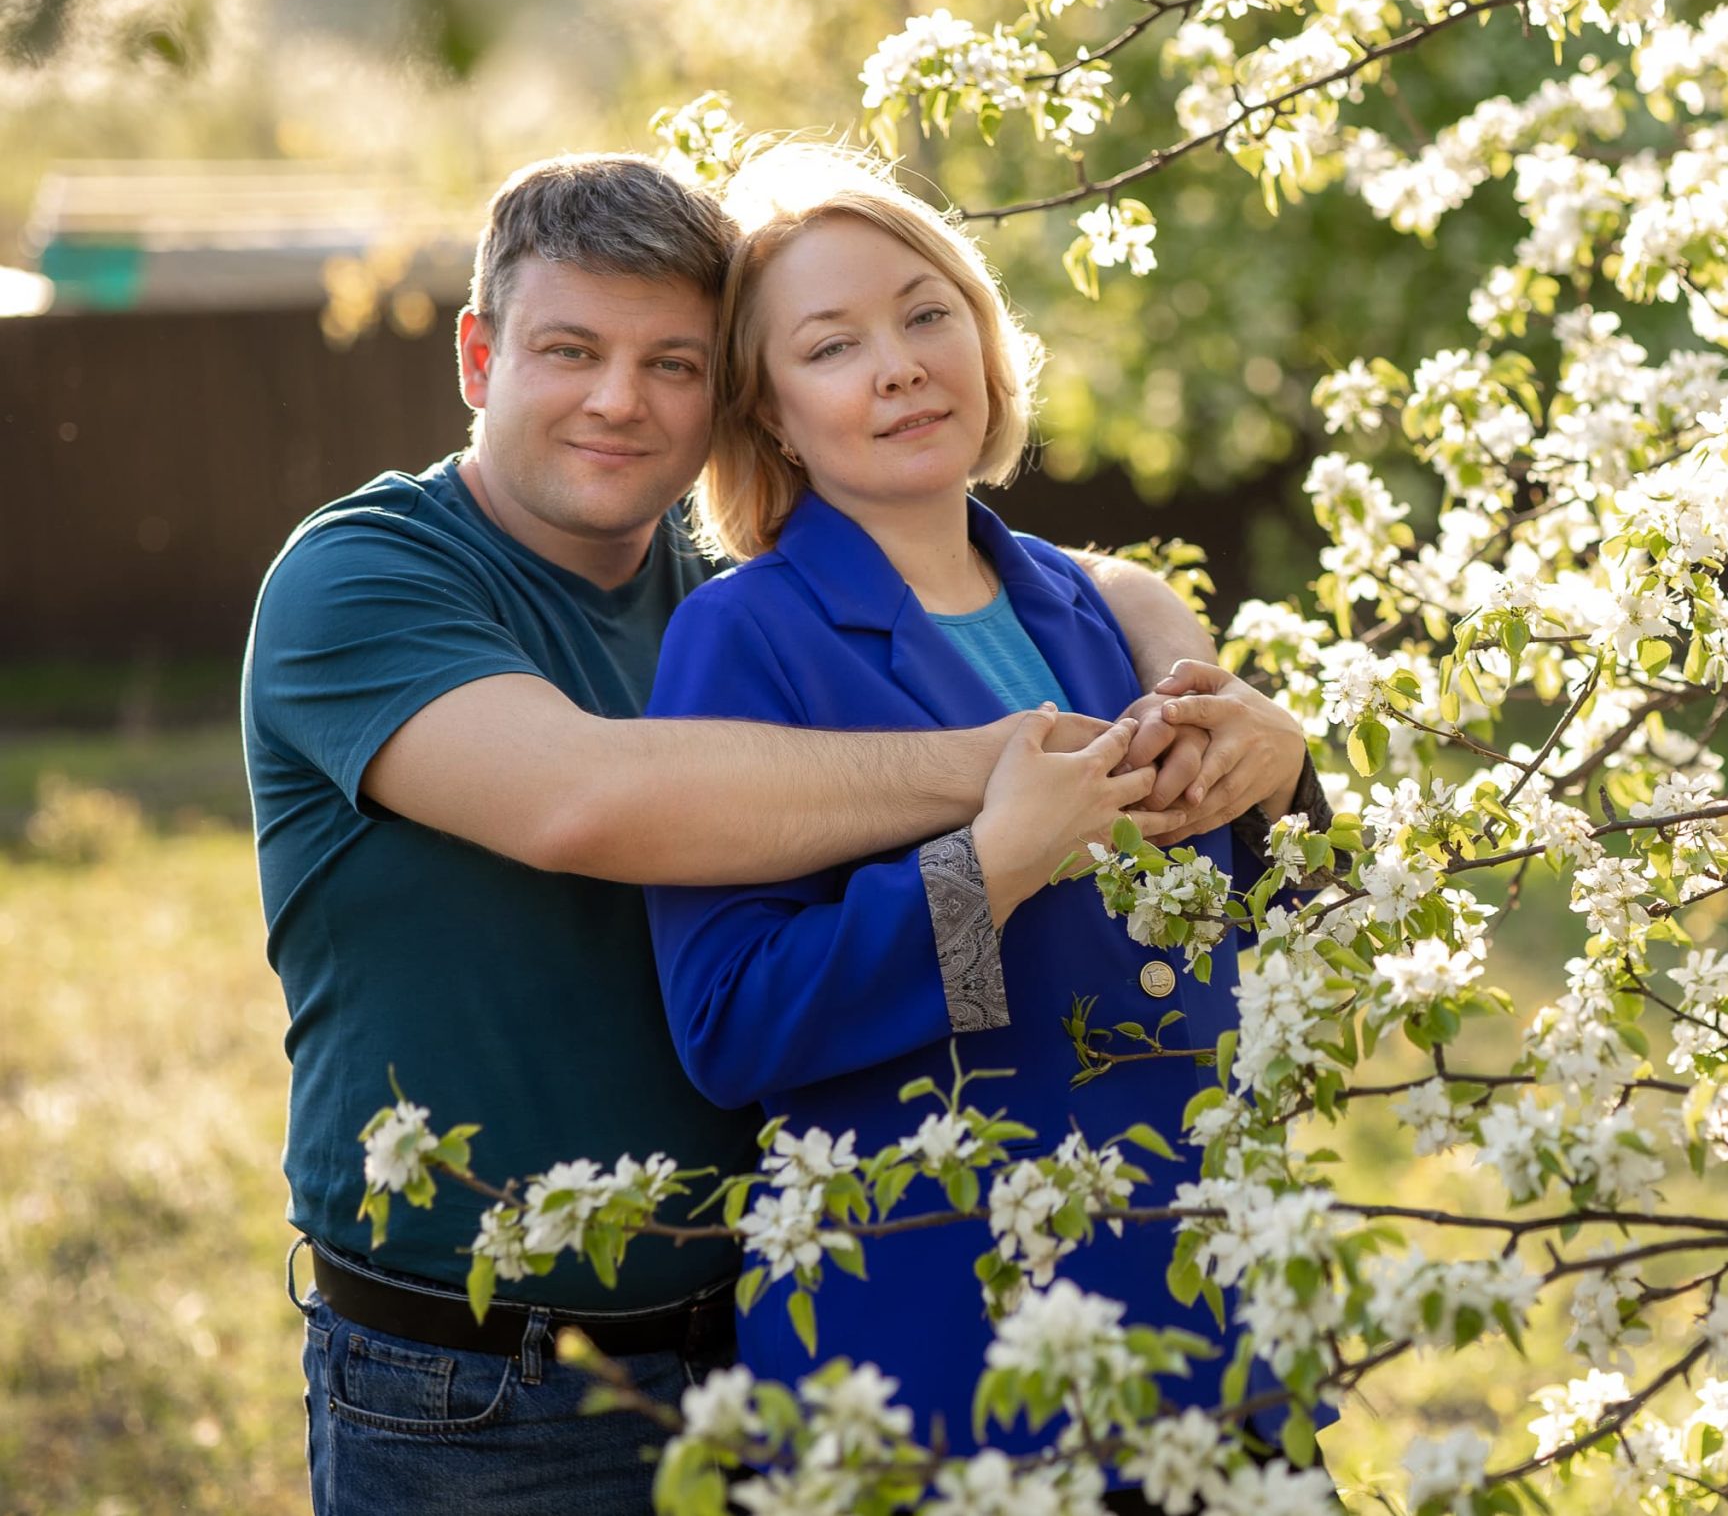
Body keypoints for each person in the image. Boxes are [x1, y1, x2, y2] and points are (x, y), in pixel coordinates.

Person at [241, 152, 1305, 1516]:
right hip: (482, 1381)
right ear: (479, 355)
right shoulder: (369, 575)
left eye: (672, 364)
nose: (620, 399)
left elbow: (1055, 582)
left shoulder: (712, 586)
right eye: (570, 350)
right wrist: (1000, 799)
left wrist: (1185, 660)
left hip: (758, 1319)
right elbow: (591, 802)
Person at [642, 144, 1319, 1490]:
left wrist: (1287, 771)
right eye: (832, 346)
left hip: (1208, 1323)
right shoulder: (742, 641)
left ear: (985, 336)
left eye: (925, 312)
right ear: (769, 411)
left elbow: (1276, 943)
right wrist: (983, 874)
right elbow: (729, 1027)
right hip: (941, 1358)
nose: (896, 365)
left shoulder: (1099, 610)